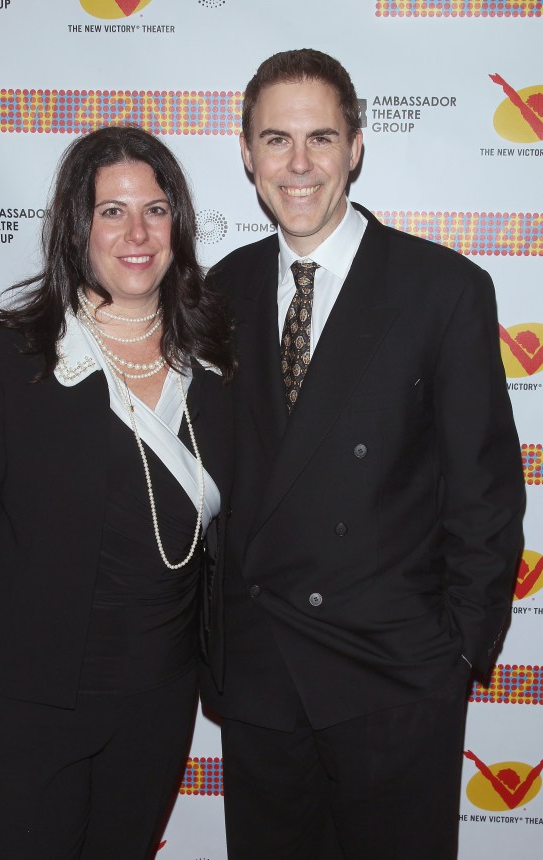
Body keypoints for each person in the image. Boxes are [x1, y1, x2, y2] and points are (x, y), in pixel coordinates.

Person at [199, 49, 525, 859]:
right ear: (246, 153)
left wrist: (454, 656)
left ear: (356, 145)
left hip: (393, 679)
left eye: (320, 138)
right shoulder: (221, 291)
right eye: (276, 140)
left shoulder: (441, 288)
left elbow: (486, 494)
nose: (298, 164)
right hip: (263, 678)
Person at [0, 125, 234, 859]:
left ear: (177, 224)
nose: (137, 232)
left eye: (155, 210)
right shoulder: (8, 358)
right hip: (23, 703)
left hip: (158, 701)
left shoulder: (218, 358)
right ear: (76, 227)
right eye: (111, 211)